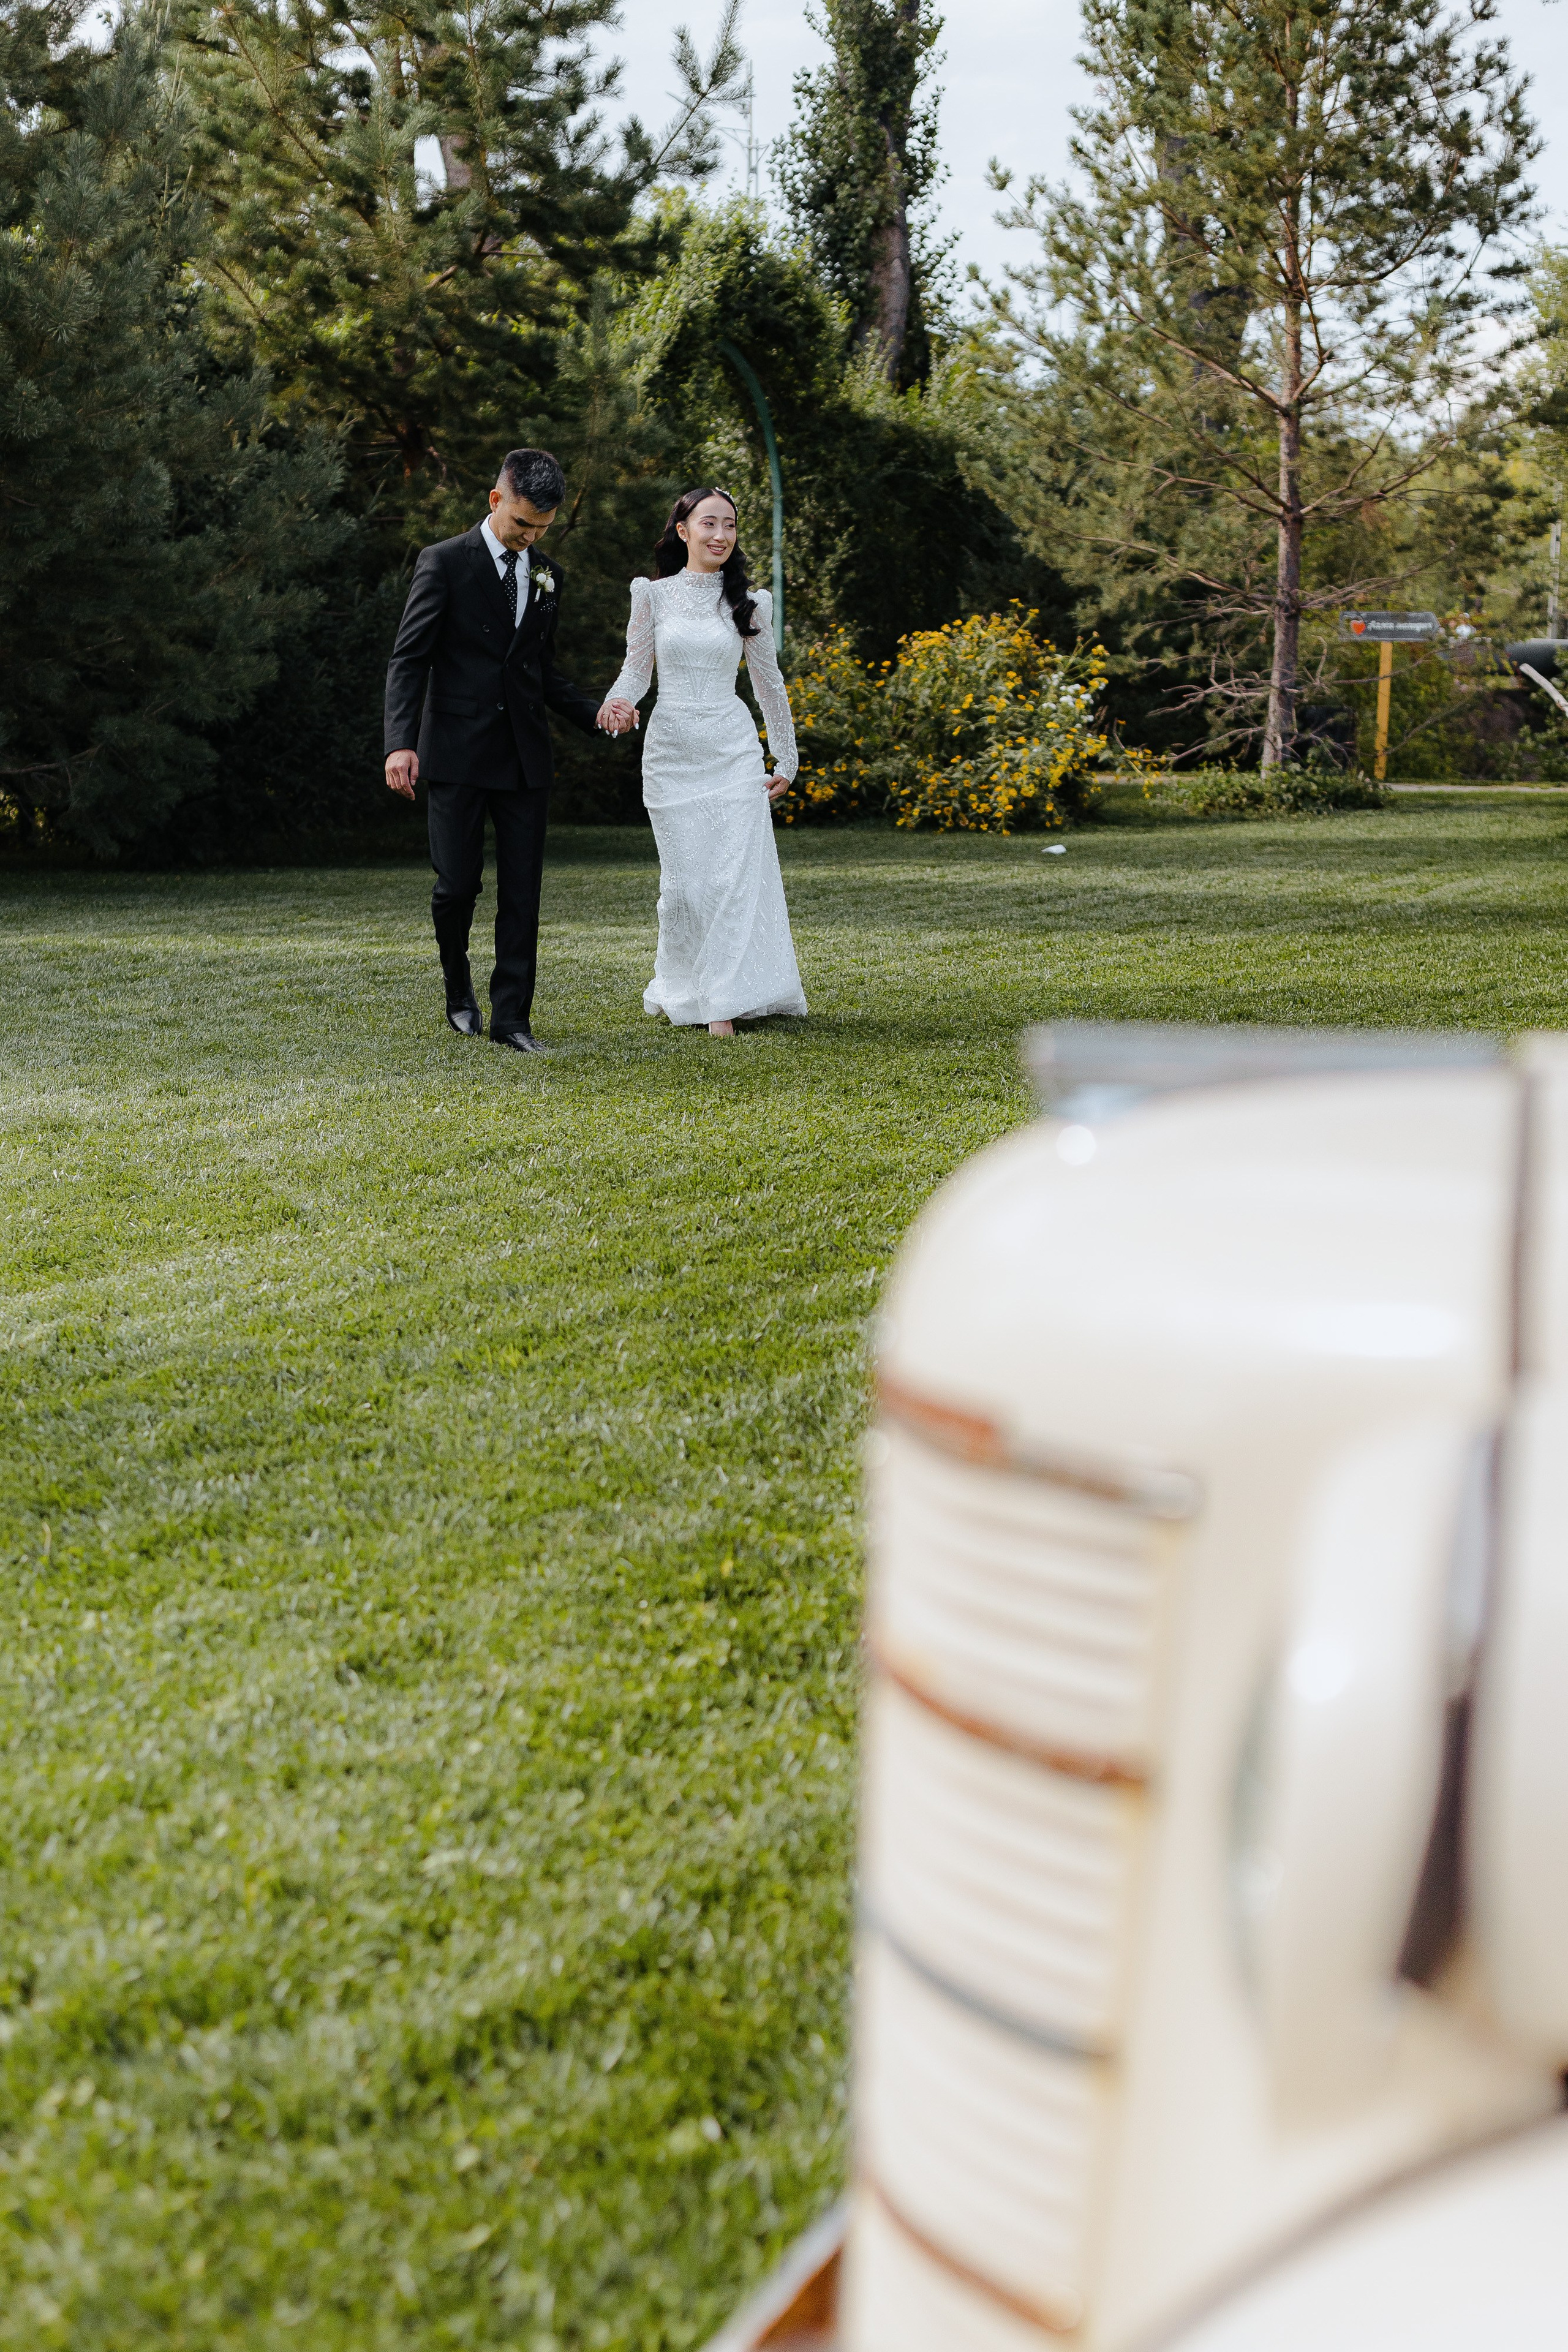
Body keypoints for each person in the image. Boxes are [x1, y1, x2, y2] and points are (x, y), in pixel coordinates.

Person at [383, 448, 603, 1054]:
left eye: (541, 529)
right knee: (456, 887)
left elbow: (541, 672)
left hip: (524, 757)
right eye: (521, 525)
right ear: (495, 500)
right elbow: (410, 658)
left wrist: (598, 715)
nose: (530, 537)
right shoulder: (443, 563)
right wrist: (400, 743)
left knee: (522, 894)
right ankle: (459, 988)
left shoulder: (548, 574)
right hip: (454, 752)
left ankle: (512, 1020)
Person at [597, 488, 807, 1038]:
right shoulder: (653, 596)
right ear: (683, 531)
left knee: (731, 878)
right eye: (709, 523)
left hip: (732, 747)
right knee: (687, 885)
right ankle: (685, 986)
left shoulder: (749, 603)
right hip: (672, 751)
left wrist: (786, 754)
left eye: (731, 525)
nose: (721, 535)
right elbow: (636, 671)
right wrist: (618, 701)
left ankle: (723, 1002)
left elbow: (769, 684)